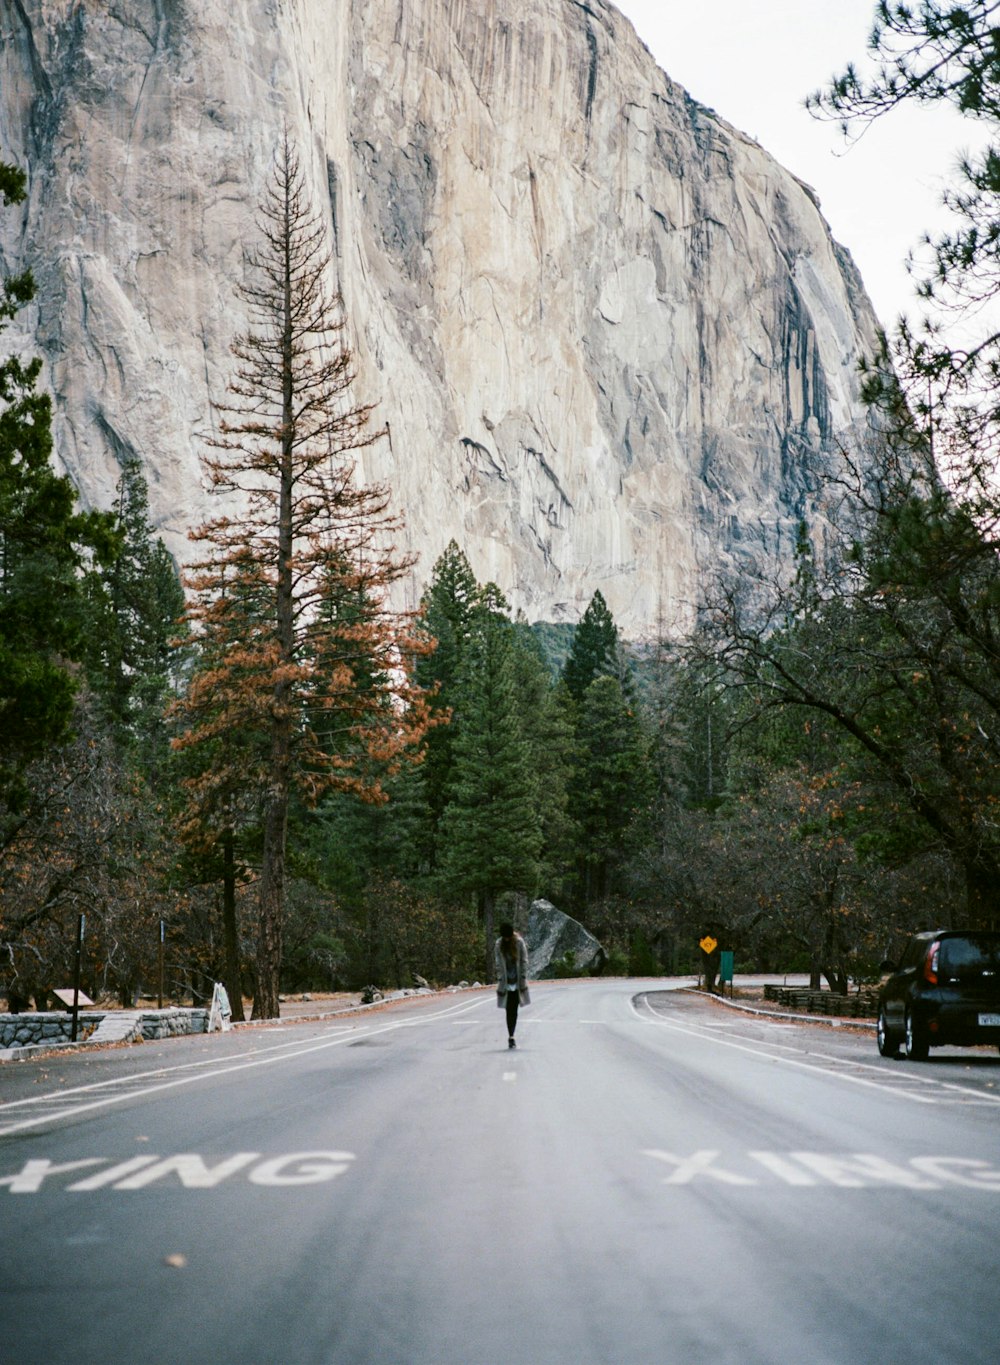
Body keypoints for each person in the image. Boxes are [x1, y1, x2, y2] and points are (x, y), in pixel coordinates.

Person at [495, 921, 530, 1048]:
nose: (506, 939)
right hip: (505, 982)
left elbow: (524, 960)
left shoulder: (519, 943)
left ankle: (512, 1035)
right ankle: (511, 1035)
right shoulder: (499, 944)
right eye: (504, 937)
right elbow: (498, 963)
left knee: (514, 1010)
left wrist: (522, 976)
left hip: (517, 982)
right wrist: (500, 977)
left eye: (508, 937)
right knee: (508, 1009)